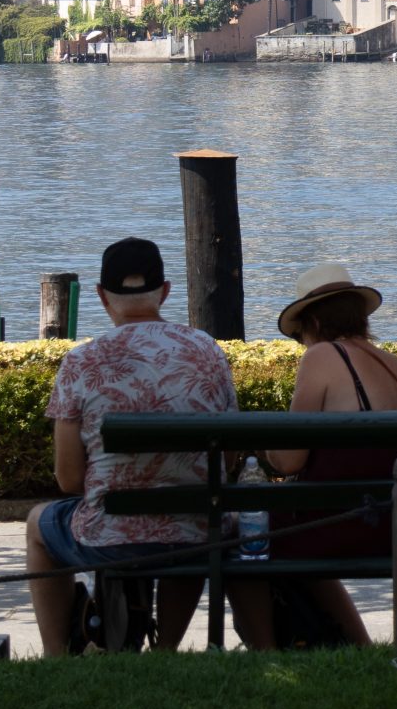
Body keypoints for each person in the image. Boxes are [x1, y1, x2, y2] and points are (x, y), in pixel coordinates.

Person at [24, 237, 238, 655]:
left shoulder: (81, 363)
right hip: (196, 530)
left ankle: (54, 656)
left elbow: (68, 480)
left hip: (110, 534)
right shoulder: (207, 351)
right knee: (192, 514)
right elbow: (226, 460)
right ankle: (166, 650)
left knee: (38, 525)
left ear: (102, 296)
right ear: (166, 290)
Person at [230, 262, 397, 649]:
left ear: (314, 324)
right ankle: (359, 646)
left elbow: (289, 462)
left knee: (244, 539)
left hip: (350, 522)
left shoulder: (321, 358)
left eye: (301, 332)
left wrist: (263, 445)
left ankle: (264, 654)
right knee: (300, 540)